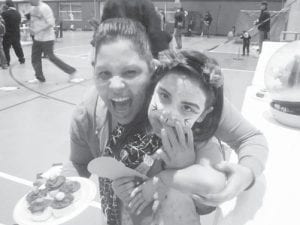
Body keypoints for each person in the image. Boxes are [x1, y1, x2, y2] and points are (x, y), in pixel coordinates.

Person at [63, 15, 268, 221]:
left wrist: (247, 173)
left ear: (153, 68)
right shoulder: (88, 113)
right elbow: (78, 163)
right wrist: (58, 189)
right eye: (104, 74)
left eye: (131, 72)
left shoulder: (184, 95)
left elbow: (249, 138)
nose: (116, 86)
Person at [28, 0, 82, 83]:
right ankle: (39, 77)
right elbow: (33, 21)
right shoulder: (32, 8)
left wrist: (38, 30)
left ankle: (72, 71)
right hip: (37, 38)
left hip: (47, 38)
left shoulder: (45, 8)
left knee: (51, 57)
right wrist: (31, 27)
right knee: (35, 58)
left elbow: (51, 23)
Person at [101, 0, 166, 58]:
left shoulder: (110, 3)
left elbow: (103, 29)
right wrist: (154, 54)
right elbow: (154, 31)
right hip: (140, 51)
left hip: (115, 49)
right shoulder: (146, 3)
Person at [1, 0, 25, 65]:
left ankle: (7, 62)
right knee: (17, 46)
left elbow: (1, 22)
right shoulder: (18, 13)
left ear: (7, 5)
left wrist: (2, 10)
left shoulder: (5, 13)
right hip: (16, 33)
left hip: (7, 34)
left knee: (6, 48)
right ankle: (22, 59)